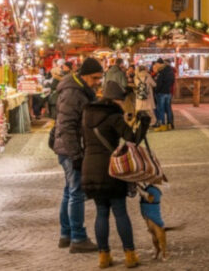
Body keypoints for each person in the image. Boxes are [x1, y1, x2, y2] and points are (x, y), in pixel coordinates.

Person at [82, 81, 151, 269]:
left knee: (101, 213)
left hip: (89, 168)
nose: (122, 104)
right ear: (115, 100)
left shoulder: (86, 114)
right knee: (120, 212)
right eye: (121, 100)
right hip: (112, 170)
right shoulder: (113, 116)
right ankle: (130, 255)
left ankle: (103, 257)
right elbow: (133, 139)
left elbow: (83, 141)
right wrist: (144, 123)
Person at [52, 58, 104, 253]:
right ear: (84, 76)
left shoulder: (78, 89)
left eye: (100, 78)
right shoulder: (74, 93)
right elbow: (66, 126)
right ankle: (78, 238)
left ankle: (66, 234)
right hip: (70, 149)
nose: (98, 82)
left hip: (67, 148)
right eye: (95, 78)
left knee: (70, 191)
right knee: (77, 192)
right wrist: (76, 156)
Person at [155, 59, 175, 131]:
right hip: (168, 92)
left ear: (160, 64)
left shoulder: (161, 71)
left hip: (162, 92)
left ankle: (163, 125)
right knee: (168, 108)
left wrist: (156, 91)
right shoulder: (170, 71)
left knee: (161, 109)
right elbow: (173, 81)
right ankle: (170, 124)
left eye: (157, 64)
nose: (156, 66)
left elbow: (159, 83)